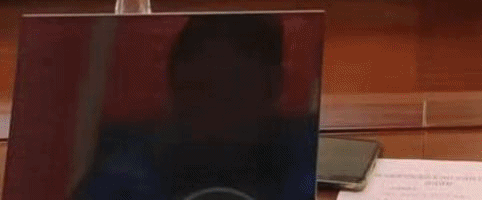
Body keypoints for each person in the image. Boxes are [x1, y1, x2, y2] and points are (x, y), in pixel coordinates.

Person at [72, 13, 318, 200]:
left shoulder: (307, 157)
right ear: (175, 88)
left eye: (234, 91)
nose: (217, 115)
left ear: (274, 86)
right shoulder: (126, 172)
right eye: (202, 89)